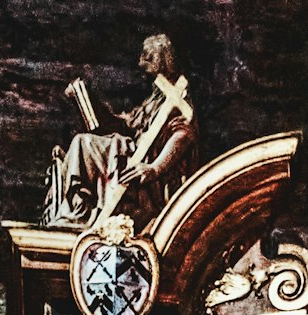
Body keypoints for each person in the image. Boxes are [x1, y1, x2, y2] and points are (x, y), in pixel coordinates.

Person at [43, 33, 197, 230]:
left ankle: (81, 208)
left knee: (85, 143)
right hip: (130, 152)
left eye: (149, 56)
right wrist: (85, 100)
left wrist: (154, 168)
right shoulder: (154, 99)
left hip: (147, 164)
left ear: (164, 59)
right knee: (84, 142)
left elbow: (183, 135)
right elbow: (121, 125)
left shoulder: (180, 95)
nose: (142, 64)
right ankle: (80, 206)